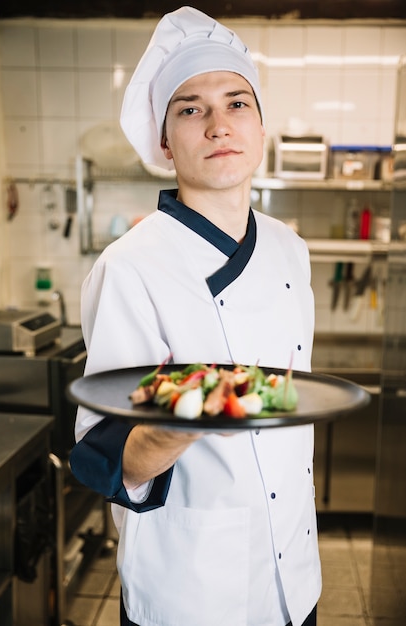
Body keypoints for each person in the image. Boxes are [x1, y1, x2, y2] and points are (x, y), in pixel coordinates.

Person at [70, 6, 322, 626]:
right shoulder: (132, 266)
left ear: (260, 125)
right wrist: (183, 422)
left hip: (295, 575)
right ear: (164, 140)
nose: (218, 126)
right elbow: (103, 452)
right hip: (192, 588)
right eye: (191, 109)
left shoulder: (291, 247)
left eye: (237, 103)